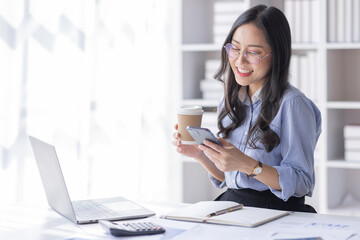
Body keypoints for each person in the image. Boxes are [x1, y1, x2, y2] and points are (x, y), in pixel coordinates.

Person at [172, 4, 321, 213]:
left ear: (276, 54)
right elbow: (229, 177)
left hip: (275, 210)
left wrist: (250, 165)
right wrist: (201, 154)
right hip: (234, 204)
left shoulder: (293, 104)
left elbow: (301, 181)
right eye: (234, 48)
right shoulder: (230, 101)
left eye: (253, 52)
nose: (239, 60)